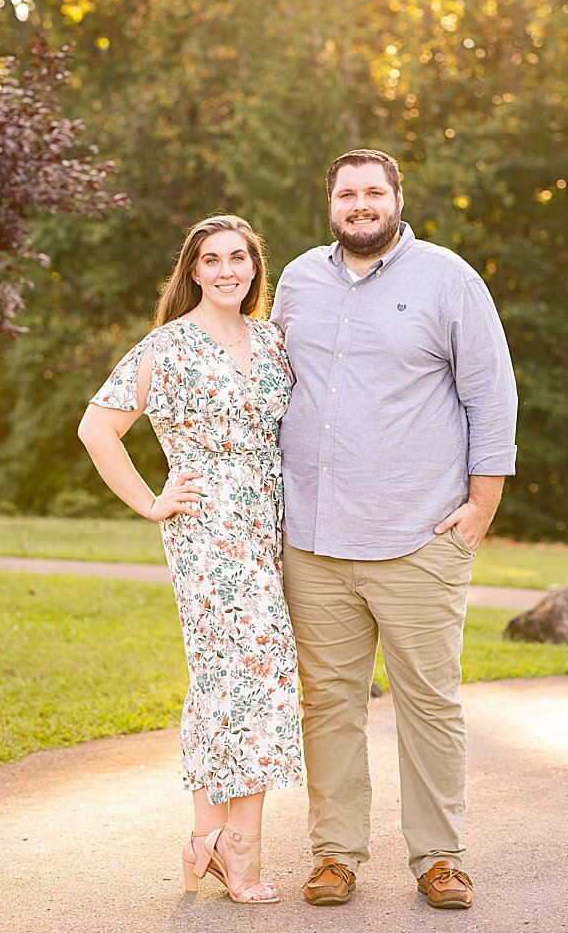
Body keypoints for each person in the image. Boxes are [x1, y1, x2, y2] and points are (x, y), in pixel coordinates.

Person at [272, 149, 517, 911]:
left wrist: (480, 509)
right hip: (313, 539)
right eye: (347, 192)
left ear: (397, 199)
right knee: (329, 703)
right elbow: (268, 386)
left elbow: (490, 394)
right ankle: (335, 855)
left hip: (419, 535)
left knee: (430, 702)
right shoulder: (297, 281)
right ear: (330, 201)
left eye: (374, 191)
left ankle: (439, 858)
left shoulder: (448, 277)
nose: (360, 203)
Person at [78, 214, 303, 905]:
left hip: (267, 524)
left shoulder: (272, 343)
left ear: (254, 268)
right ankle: (241, 848)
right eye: (212, 260)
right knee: (256, 674)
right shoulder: (167, 347)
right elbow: (97, 428)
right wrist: (152, 501)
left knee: (222, 680)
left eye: (239, 257)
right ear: (193, 271)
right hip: (206, 530)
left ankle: (205, 836)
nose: (228, 269)